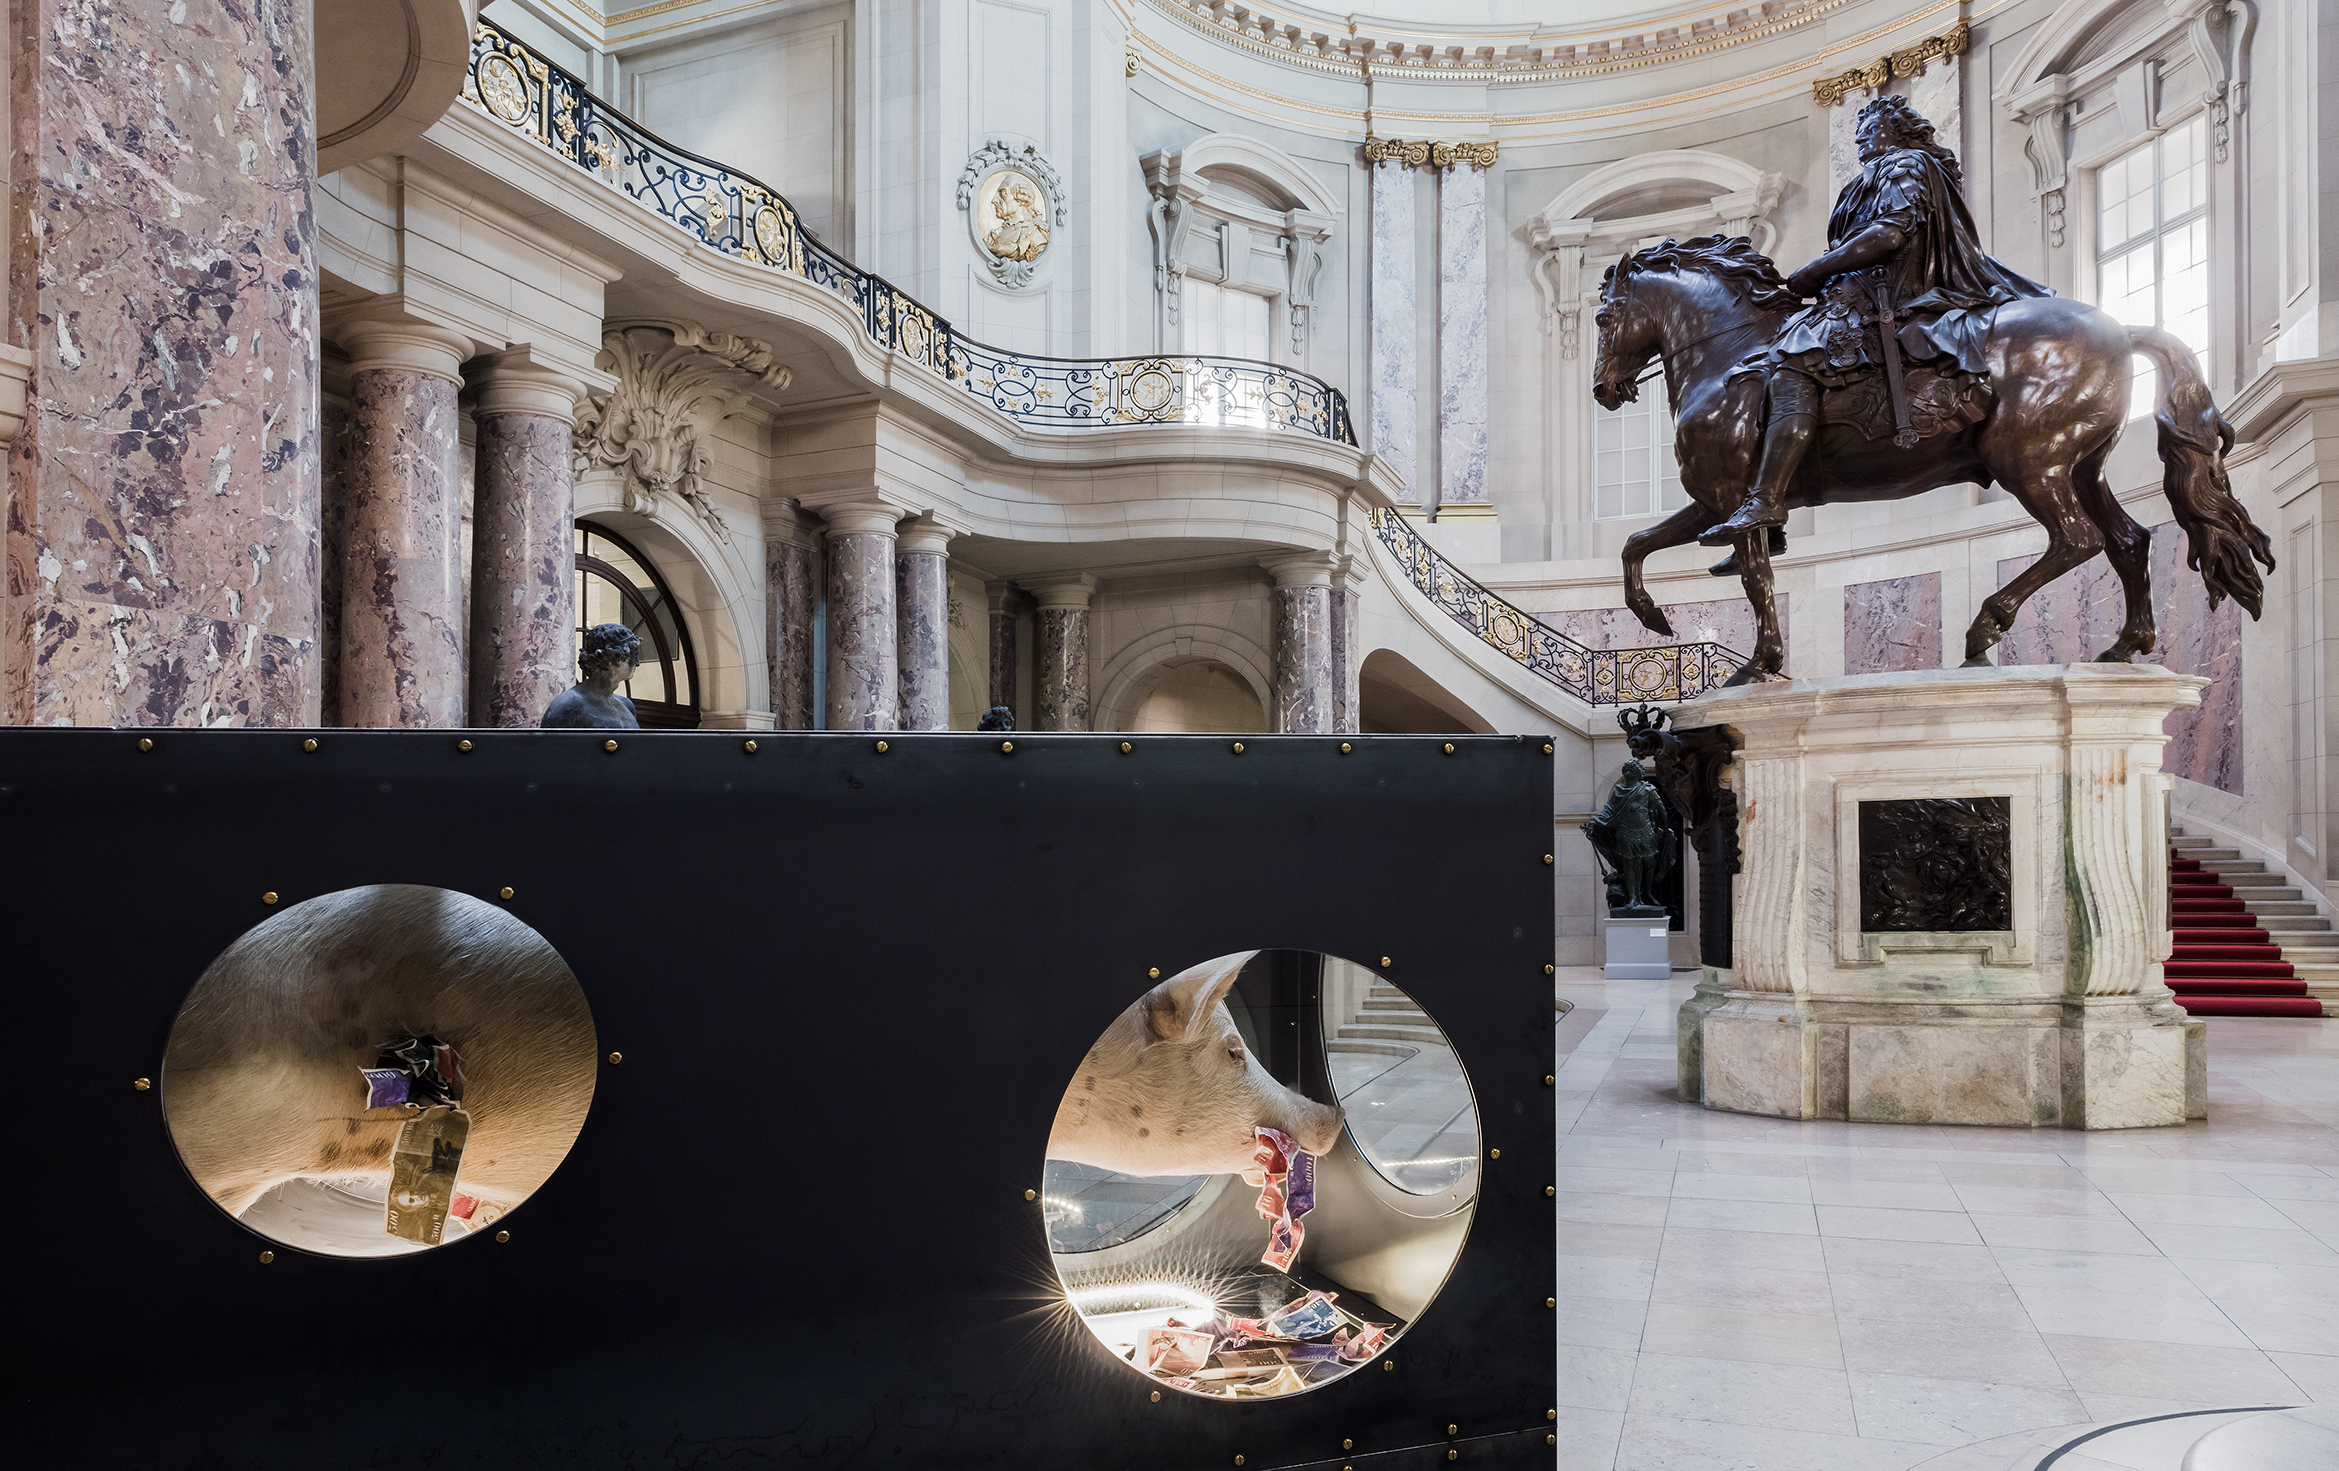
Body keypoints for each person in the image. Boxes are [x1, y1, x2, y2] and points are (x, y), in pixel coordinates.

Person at [1702, 95, 2052, 545]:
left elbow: (1890, 233)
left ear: (1901, 132)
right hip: (1855, 298)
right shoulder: (1868, 180)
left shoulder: (1905, 163)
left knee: (1794, 360)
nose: (1862, 132)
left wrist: (1818, 269)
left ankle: (1769, 500)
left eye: (1874, 125)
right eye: (1860, 125)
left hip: (1888, 299)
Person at [1583, 760, 1675, 915]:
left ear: (1639, 773)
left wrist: (1666, 830)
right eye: (1626, 770)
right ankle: (1633, 898)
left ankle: (1647, 893)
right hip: (1625, 832)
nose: (1628, 773)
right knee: (1629, 865)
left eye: (1632, 770)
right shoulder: (1618, 790)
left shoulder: (1648, 789)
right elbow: (1609, 810)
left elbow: (1662, 810)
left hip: (1646, 831)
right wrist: (1596, 823)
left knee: (1648, 864)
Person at [540, 623, 645, 728]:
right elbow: (548, 743)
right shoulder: (568, 705)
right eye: (632, 656)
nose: (637, 663)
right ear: (609, 659)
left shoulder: (626, 705)